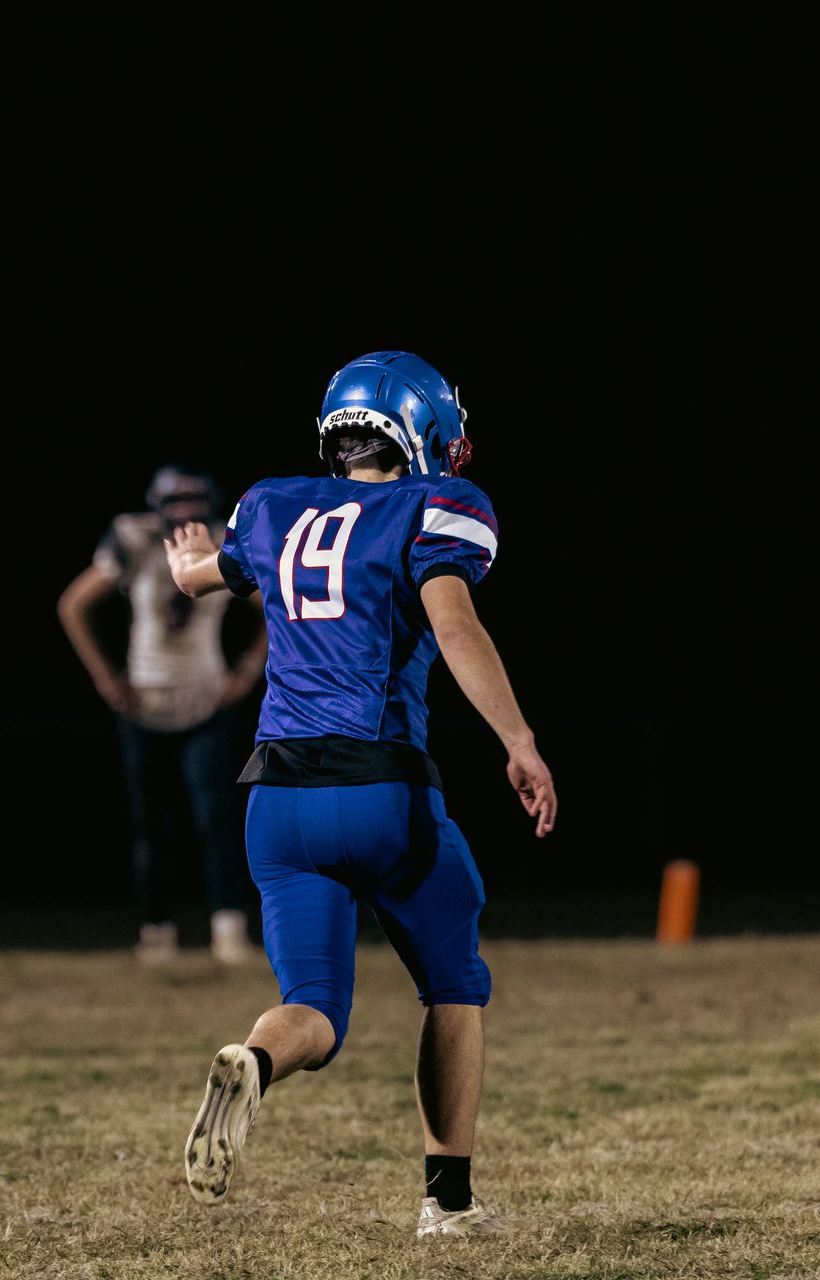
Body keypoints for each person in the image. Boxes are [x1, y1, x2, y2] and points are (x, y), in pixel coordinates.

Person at [163, 351, 557, 1238]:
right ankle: (446, 1205)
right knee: (454, 981)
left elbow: (199, 577)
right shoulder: (436, 507)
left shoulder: (270, 506)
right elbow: (454, 623)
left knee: (315, 1008)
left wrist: (189, 559)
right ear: (420, 429)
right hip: (382, 788)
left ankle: (257, 1062)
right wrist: (519, 740)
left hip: (276, 804)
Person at [58, 465, 267, 964]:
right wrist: (105, 677)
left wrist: (246, 672)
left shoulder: (223, 542)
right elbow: (73, 605)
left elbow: (277, 606)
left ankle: (228, 928)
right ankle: (157, 929)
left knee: (216, 818)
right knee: (152, 824)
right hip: (144, 699)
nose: (186, 513)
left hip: (204, 696)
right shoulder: (133, 540)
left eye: (196, 501)